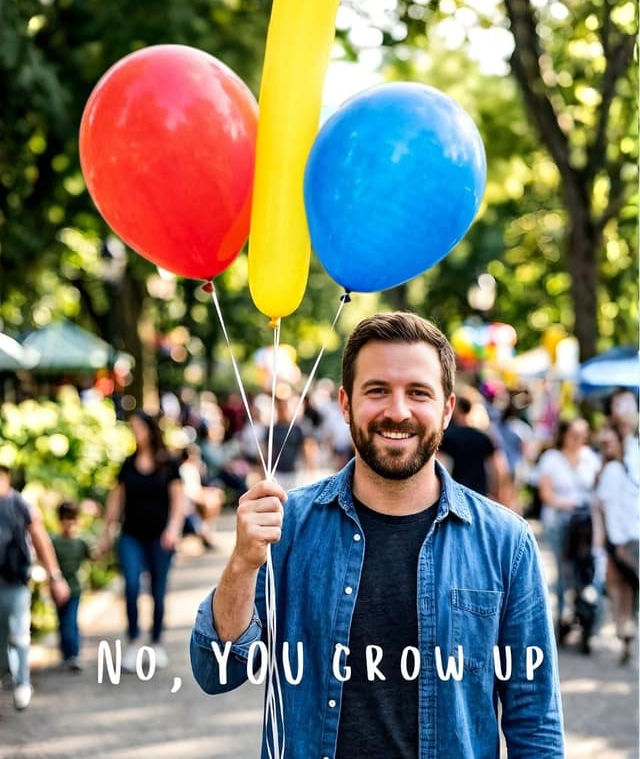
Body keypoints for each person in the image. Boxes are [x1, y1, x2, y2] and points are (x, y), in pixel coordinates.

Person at [191, 312, 564, 757]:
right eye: (377, 390)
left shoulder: (505, 543)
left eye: (418, 392)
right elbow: (215, 671)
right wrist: (241, 564)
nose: (398, 411)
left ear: (447, 409)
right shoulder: (287, 528)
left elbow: (535, 724)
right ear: (346, 404)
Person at [98, 410, 183, 672]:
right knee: (132, 586)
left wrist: (173, 529)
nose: (135, 432)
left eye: (139, 427)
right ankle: (134, 642)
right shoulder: (127, 463)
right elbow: (116, 501)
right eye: (132, 428)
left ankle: (156, 642)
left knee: (158, 590)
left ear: (150, 430)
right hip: (131, 535)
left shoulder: (169, 464)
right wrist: (106, 533)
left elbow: (178, 501)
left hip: (160, 536)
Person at [0, 464, 70, 710]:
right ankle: (10, 674)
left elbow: (40, 538)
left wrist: (55, 576)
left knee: (18, 633)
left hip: (16, 580)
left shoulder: (19, 505)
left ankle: (22, 682)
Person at [537, 417, 600, 646]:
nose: (577, 440)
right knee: (563, 572)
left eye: (582, 436)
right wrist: (566, 504)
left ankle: (586, 621)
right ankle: (561, 619)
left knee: (587, 571)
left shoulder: (590, 458)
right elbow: (545, 493)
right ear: (564, 434)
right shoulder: (551, 458)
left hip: (585, 525)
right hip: (559, 522)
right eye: (574, 435)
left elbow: (598, 488)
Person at [592, 423, 639, 663]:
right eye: (604, 443)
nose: (608, 446)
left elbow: (605, 508)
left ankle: (623, 627)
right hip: (624, 537)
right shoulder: (613, 469)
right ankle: (625, 628)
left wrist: (609, 541)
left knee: (618, 586)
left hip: (619, 538)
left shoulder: (614, 470)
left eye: (611, 442)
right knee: (625, 587)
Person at [438, 394, 510, 503]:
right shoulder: (483, 437)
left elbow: (439, 464)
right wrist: (500, 496)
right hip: (479, 495)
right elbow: (499, 469)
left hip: (454, 495)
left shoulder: (447, 436)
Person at [50, 500, 92, 670]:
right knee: (62, 622)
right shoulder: (54, 542)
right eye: (66, 519)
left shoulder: (81, 542)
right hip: (57, 590)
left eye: (73, 518)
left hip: (75, 589)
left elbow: (93, 556)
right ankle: (66, 654)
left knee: (70, 622)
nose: (70, 523)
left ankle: (74, 654)